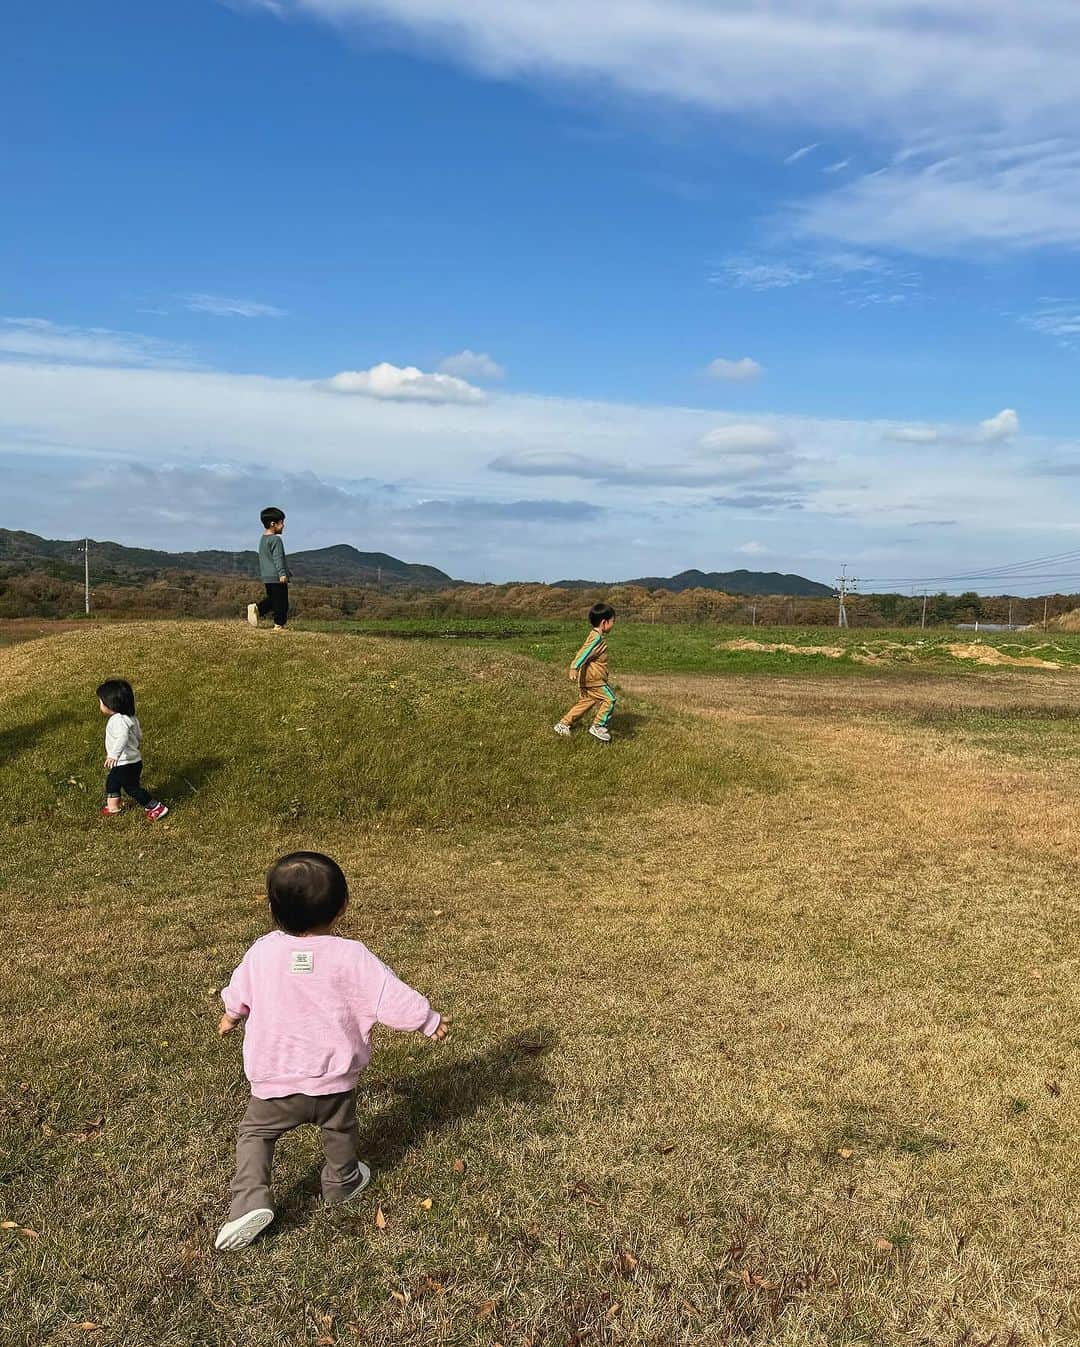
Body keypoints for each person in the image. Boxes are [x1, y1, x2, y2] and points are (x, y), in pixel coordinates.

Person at [215, 851, 449, 1252]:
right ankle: (342, 1181)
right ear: (342, 906)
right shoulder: (351, 955)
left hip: (275, 1082)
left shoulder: (262, 952)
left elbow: (240, 991)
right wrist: (427, 1020)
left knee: (255, 1133)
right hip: (333, 1084)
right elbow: (388, 995)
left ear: (273, 910)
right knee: (339, 1129)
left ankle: (250, 1198)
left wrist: (231, 1014)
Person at [96, 679, 169, 821]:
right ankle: (113, 807)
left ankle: (155, 806)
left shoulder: (117, 720)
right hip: (133, 760)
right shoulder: (130, 717)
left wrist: (113, 755)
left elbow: (123, 736)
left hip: (125, 763)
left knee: (132, 789)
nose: (100, 705)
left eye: (101, 702)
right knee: (112, 782)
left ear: (110, 704)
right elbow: (138, 735)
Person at [554, 602, 617, 742]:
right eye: (613, 621)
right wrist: (574, 666)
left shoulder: (594, 635)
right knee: (610, 699)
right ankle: (598, 726)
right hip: (593, 679)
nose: (613, 624)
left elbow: (588, 653)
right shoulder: (597, 637)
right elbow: (584, 651)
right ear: (604, 622)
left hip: (587, 678)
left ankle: (563, 724)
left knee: (587, 702)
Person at [246, 506, 291, 631]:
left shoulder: (263, 539)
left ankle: (257, 609)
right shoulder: (276, 540)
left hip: (267, 576)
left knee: (273, 600)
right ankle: (279, 625)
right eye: (281, 523)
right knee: (282, 603)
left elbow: (267, 559)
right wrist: (282, 573)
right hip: (277, 576)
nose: (283, 526)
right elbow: (278, 558)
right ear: (273, 524)